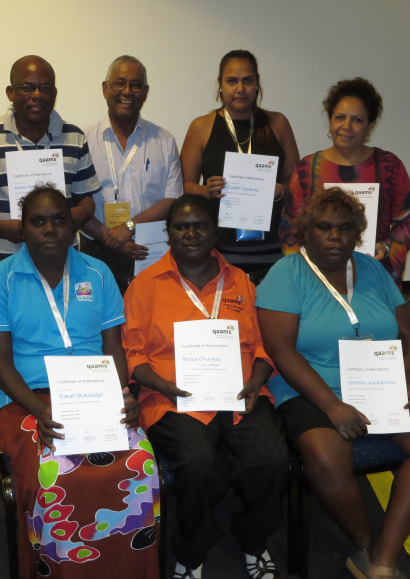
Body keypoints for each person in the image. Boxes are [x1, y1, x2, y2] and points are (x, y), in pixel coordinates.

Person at [256, 188, 410, 579]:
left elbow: (409, 335)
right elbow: (281, 351)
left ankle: (382, 555)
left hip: (379, 381)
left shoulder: (373, 270)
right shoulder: (286, 274)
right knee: (325, 454)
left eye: (345, 228)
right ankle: (365, 543)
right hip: (311, 385)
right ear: (305, 232)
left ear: (357, 233)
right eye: (324, 227)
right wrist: (333, 406)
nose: (335, 237)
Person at [0, 185, 160, 579]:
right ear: (22, 229)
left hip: (96, 394)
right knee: (53, 472)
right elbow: (0, 365)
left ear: (72, 227)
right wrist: (40, 410)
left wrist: (122, 395)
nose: (49, 229)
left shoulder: (98, 273)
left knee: (140, 462)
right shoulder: (0, 280)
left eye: (59, 220)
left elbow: (113, 347)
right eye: (37, 221)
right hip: (26, 399)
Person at [123, 194, 288, 579]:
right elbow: (132, 354)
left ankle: (252, 538)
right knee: (198, 464)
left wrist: (256, 381)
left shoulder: (242, 282)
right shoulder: (144, 286)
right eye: (182, 226)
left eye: (201, 225)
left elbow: (264, 345)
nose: (192, 233)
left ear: (216, 232)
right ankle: (192, 549)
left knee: (271, 459)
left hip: (241, 393)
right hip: (171, 398)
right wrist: (162, 384)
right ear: (168, 234)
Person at [279, 78, 410, 289]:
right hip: (318, 281)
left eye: (357, 120)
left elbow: (408, 225)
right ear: (330, 121)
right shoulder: (307, 169)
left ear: (369, 126)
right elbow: (290, 228)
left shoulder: (390, 167)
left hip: (373, 277)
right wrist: (307, 268)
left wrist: (386, 246)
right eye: (340, 117)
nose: (346, 126)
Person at [0, 55, 100, 262]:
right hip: (5, 262)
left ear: (54, 94)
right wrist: (0, 226)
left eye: (45, 88)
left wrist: (76, 217)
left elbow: (86, 199)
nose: (37, 95)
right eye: (27, 87)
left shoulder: (75, 137)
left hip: (64, 263)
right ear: (10, 92)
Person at [180, 50, 300, 276]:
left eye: (248, 80)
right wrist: (206, 191)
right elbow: (184, 186)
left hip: (275, 249)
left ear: (257, 83)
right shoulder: (201, 127)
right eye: (232, 81)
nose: (240, 88)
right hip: (219, 251)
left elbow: (297, 183)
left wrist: (279, 189)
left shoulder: (278, 123)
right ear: (220, 83)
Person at [80, 55, 183, 292]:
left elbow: (173, 199)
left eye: (135, 85)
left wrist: (128, 226)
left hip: (151, 252)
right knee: (99, 315)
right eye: (120, 83)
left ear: (145, 92)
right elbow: (76, 201)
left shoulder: (164, 140)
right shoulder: (83, 140)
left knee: (152, 314)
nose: (127, 91)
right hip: (96, 251)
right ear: (105, 88)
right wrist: (109, 238)